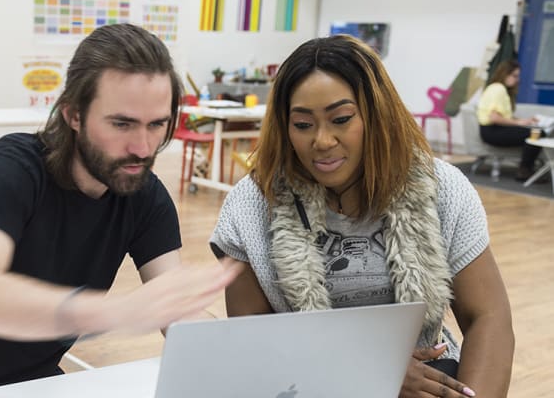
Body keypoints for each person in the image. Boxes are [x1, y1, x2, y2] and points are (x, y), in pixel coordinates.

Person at [0, 23, 241, 396]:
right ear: (73, 114)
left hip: (34, 382)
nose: (142, 147)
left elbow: (174, 311)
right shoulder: (9, 170)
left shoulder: (145, 195)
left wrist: (230, 351)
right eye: (122, 124)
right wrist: (119, 310)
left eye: (157, 125)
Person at [210, 35, 514, 397]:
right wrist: (370, 371)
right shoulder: (251, 205)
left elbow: (489, 318)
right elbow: (255, 345)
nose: (322, 141)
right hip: (305, 385)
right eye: (303, 125)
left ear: (377, 115)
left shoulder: (442, 188)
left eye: (341, 119)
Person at [477, 59, 544, 181]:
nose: (517, 79)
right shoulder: (498, 89)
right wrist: (519, 123)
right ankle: (524, 170)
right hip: (492, 131)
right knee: (536, 133)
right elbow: (494, 118)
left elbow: (504, 117)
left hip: (494, 130)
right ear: (505, 73)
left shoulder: (498, 88)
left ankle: (526, 168)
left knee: (534, 131)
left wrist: (526, 121)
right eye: (514, 75)